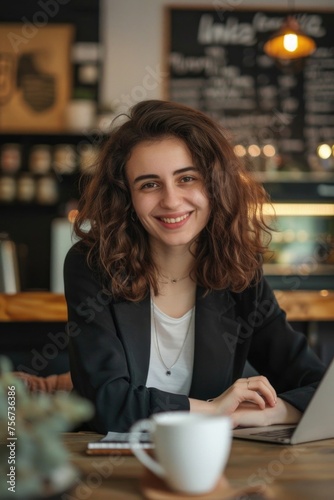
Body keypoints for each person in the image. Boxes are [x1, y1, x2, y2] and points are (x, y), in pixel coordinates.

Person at [64, 99, 325, 433]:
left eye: (187, 178)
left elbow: (318, 387)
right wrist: (213, 409)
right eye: (149, 184)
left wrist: (267, 414)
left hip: (207, 466)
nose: (171, 200)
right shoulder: (92, 265)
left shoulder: (239, 271)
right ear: (126, 197)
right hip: (108, 466)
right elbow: (107, 404)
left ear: (214, 184)